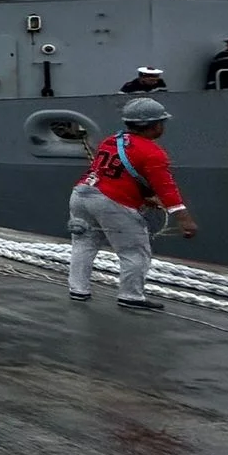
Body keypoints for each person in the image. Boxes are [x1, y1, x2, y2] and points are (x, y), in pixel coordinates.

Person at [68, 97, 197, 311]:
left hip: (81, 194)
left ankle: (78, 289)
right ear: (154, 125)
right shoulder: (152, 152)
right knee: (134, 251)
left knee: (84, 243)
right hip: (111, 201)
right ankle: (131, 295)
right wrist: (184, 219)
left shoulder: (111, 140)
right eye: (162, 122)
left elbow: (111, 173)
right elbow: (166, 188)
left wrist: (143, 197)